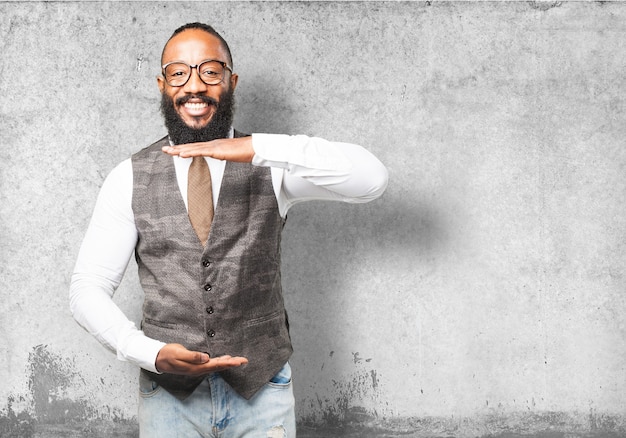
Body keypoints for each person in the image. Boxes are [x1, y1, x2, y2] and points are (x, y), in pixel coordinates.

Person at [69, 22, 388, 437]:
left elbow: (371, 179)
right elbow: (87, 287)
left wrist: (258, 148)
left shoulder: (273, 167)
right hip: (169, 398)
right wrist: (149, 353)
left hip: (263, 390)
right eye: (179, 72)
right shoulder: (127, 177)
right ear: (163, 84)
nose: (194, 86)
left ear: (231, 81)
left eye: (210, 71)